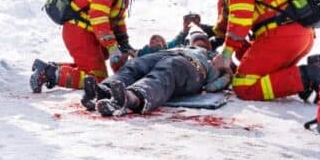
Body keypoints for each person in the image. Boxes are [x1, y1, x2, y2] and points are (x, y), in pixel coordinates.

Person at [31, 0, 153, 92]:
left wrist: (124, 43)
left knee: (101, 64)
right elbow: (99, 17)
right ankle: (49, 74)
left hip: (91, 32)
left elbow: (118, 18)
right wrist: (113, 47)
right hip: (79, 31)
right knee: (98, 79)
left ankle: (52, 68)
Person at [83, 29, 231, 116]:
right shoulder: (178, 46)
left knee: (168, 69)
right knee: (138, 64)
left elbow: (214, 86)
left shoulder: (214, 58)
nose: (200, 43)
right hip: (167, 54)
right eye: (196, 41)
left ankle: (133, 97)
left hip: (193, 66)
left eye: (203, 42)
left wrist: (223, 72)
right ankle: (102, 91)